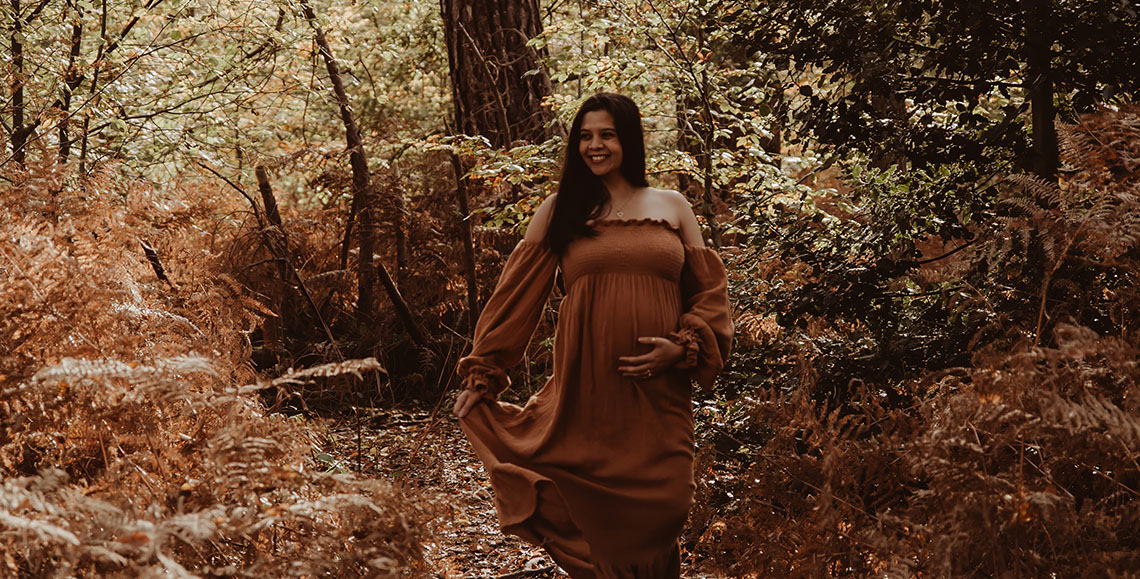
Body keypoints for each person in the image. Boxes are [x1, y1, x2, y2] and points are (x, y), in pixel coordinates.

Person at [452, 93, 733, 578]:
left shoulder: (672, 205)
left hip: (659, 399)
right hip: (587, 397)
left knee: (666, 507)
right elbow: (515, 298)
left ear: (629, 139)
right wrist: (484, 374)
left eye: (606, 134)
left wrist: (682, 347)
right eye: (584, 136)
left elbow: (710, 294)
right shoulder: (562, 210)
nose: (594, 145)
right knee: (599, 523)